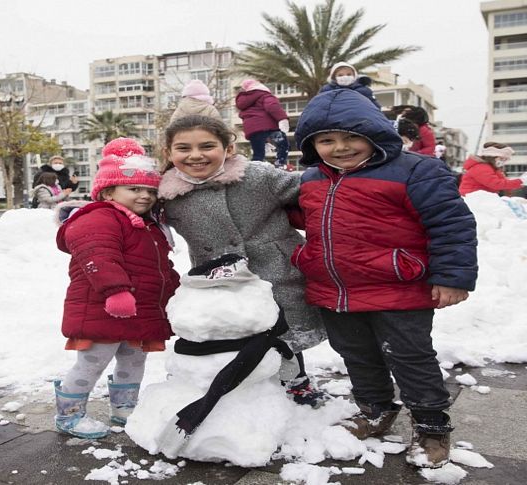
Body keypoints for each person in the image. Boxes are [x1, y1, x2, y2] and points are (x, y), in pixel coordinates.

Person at [292, 89, 478, 468]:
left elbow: (451, 225)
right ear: (313, 145)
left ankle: (431, 426)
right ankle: (375, 410)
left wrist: (453, 276)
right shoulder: (311, 179)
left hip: (398, 288)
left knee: (410, 358)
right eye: (327, 140)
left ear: (374, 134)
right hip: (338, 291)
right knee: (357, 355)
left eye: (351, 137)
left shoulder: (415, 170)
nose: (340, 148)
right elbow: (304, 219)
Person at [158, 114, 328, 408]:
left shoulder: (258, 177)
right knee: (235, 330)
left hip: (273, 268)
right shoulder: (167, 195)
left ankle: (296, 379)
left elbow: (311, 192)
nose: (196, 155)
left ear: (229, 148)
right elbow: (124, 208)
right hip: (217, 275)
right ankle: (249, 384)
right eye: (184, 148)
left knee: (283, 329)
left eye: (207, 146)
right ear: (169, 153)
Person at [53, 137, 180, 439]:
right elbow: (98, 255)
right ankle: (68, 416)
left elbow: (160, 268)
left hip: (140, 312)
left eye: (150, 190)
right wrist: (115, 291)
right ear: (108, 191)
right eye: (134, 189)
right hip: (103, 309)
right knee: (91, 365)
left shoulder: (147, 225)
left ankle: (124, 410)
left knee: (134, 363)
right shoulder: (99, 217)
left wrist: (175, 295)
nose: (144, 196)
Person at [235, 79, 290, 168]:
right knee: (283, 145)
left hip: (253, 130)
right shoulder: (265, 95)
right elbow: (272, 106)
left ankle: (256, 169)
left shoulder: (244, 101)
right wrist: (282, 118)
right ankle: (280, 163)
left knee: (258, 153)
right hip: (269, 128)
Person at [459, 143, 527, 196]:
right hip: (473, 199)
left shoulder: (493, 168)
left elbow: (504, 183)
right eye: (503, 159)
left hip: (482, 198)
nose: (504, 162)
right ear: (493, 156)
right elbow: (496, 184)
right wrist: (520, 181)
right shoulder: (481, 167)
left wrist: (523, 182)